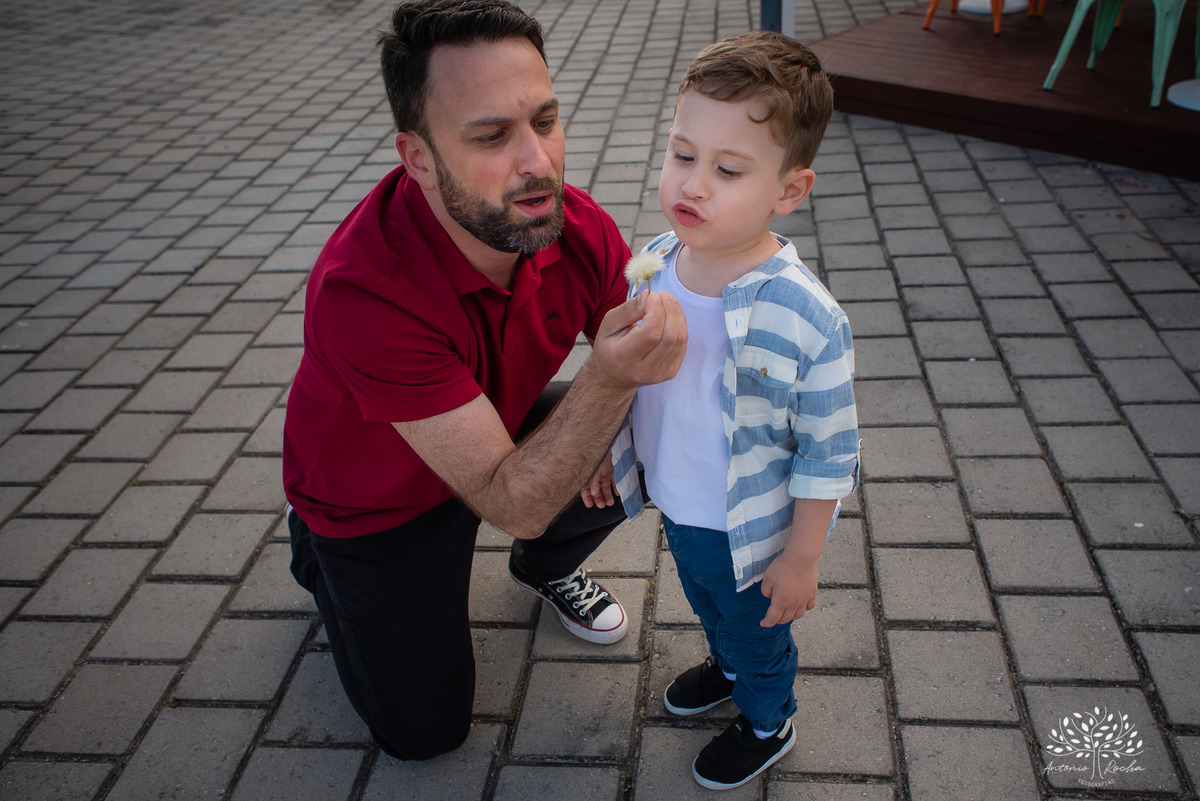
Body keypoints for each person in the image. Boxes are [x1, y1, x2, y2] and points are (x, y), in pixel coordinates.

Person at [281, 0, 686, 761]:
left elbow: (624, 350)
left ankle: (546, 569)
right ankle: (316, 557)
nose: (537, 162)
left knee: (658, 426)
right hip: (378, 502)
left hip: (493, 433)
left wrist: (623, 400)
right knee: (425, 733)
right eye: (491, 135)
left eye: (544, 119)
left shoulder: (572, 223)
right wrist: (603, 392)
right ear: (419, 157)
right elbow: (515, 500)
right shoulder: (363, 290)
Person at [592, 31, 860, 790]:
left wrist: (802, 558)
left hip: (756, 528)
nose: (694, 184)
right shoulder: (653, 263)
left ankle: (768, 715)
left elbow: (829, 451)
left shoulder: (806, 315)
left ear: (789, 191)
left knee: (755, 624)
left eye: (728, 168)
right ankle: (727, 659)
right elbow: (627, 375)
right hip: (680, 502)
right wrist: (600, 447)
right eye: (682, 155)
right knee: (704, 596)